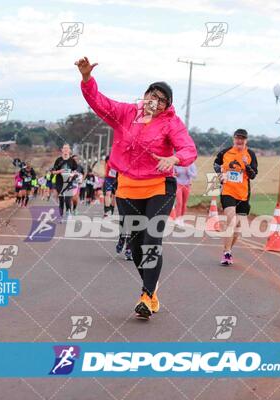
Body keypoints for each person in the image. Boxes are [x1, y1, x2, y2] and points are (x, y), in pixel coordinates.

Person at [77, 56, 197, 319]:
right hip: (128, 187)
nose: (155, 101)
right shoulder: (126, 113)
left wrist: (174, 158)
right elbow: (98, 102)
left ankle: (146, 294)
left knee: (152, 239)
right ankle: (152, 291)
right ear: (144, 96)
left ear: (167, 105)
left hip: (159, 186)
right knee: (136, 245)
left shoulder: (171, 123)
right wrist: (87, 79)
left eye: (162, 99)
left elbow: (188, 148)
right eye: (152, 95)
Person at [213, 129, 257, 266]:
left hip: (243, 194)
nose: (240, 140)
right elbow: (216, 164)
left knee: (237, 225)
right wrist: (220, 173)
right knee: (231, 221)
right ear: (234, 139)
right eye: (238, 138)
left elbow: (253, 175)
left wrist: (247, 165)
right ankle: (226, 253)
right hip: (228, 191)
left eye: (242, 138)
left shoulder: (250, 154)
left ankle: (229, 250)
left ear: (246, 140)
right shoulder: (225, 152)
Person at [52, 144, 78, 220]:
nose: (66, 150)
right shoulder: (58, 160)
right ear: (62, 150)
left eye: (67, 148)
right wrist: (59, 171)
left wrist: (72, 174)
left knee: (67, 198)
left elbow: (75, 171)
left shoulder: (72, 161)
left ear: (69, 150)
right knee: (61, 199)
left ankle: (68, 211)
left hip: (69, 182)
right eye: (64, 148)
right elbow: (53, 172)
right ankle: (61, 215)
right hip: (60, 182)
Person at [174, 162, 197, 227]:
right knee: (179, 202)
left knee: (184, 203)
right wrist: (175, 174)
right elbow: (173, 174)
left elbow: (195, 175)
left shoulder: (191, 164)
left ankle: (181, 218)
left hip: (187, 185)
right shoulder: (177, 164)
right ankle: (177, 219)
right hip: (178, 184)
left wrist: (188, 171)